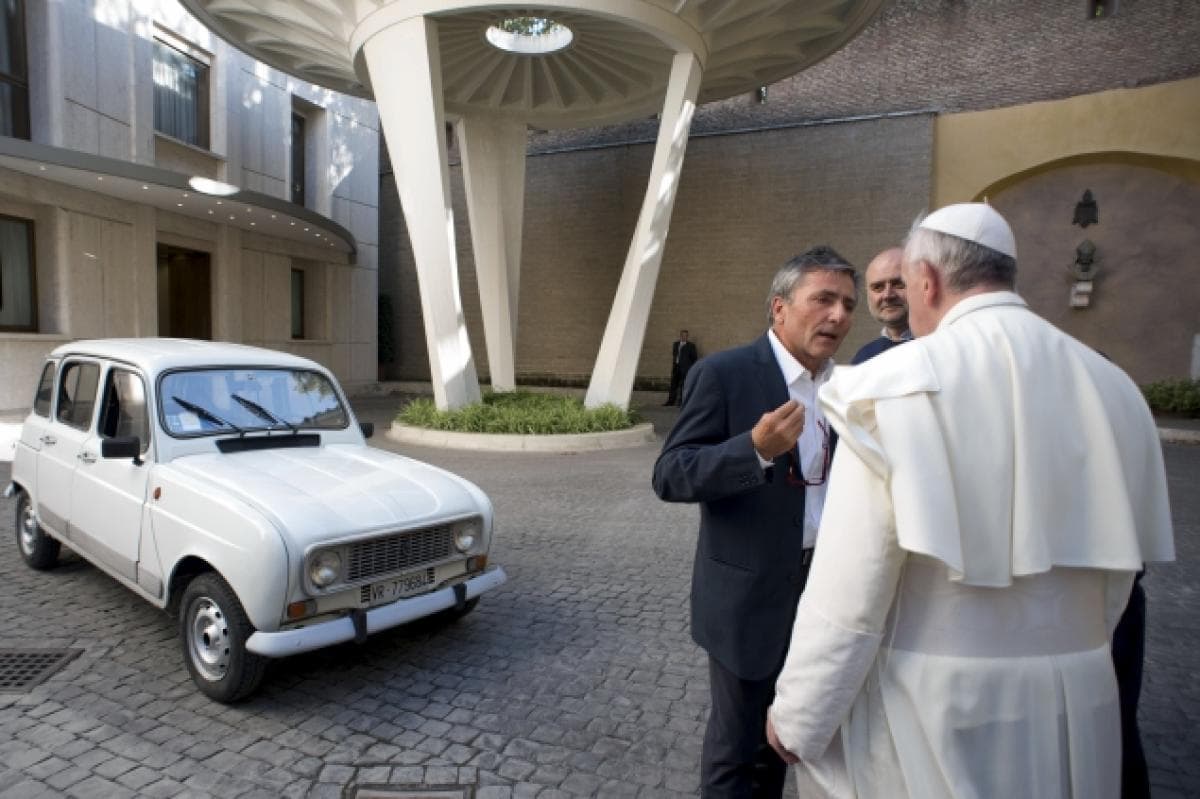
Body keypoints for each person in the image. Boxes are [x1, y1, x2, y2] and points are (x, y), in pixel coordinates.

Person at [764, 203, 1174, 799]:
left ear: (926, 281)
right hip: (1078, 702)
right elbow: (1116, 584)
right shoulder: (1112, 386)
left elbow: (850, 593)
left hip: (933, 711)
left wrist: (798, 716)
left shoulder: (887, 387)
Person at [652, 246, 858, 797]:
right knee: (735, 750)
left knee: (783, 740)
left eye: (846, 304)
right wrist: (754, 450)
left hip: (821, 593)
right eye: (823, 300)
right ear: (779, 308)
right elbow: (671, 474)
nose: (837, 316)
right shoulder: (724, 374)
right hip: (746, 597)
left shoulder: (847, 387)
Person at [850, 247, 911, 364]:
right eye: (878, 287)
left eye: (898, 284)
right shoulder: (864, 358)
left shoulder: (940, 349)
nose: (888, 295)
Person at [664, 329, 699, 406]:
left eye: (686, 336)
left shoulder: (691, 346)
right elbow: (675, 355)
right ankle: (670, 401)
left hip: (685, 369)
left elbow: (694, 358)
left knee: (683, 385)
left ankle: (681, 402)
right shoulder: (676, 344)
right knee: (673, 385)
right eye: (683, 335)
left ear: (687, 336)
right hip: (676, 367)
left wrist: (690, 368)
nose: (684, 337)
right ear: (680, 336)